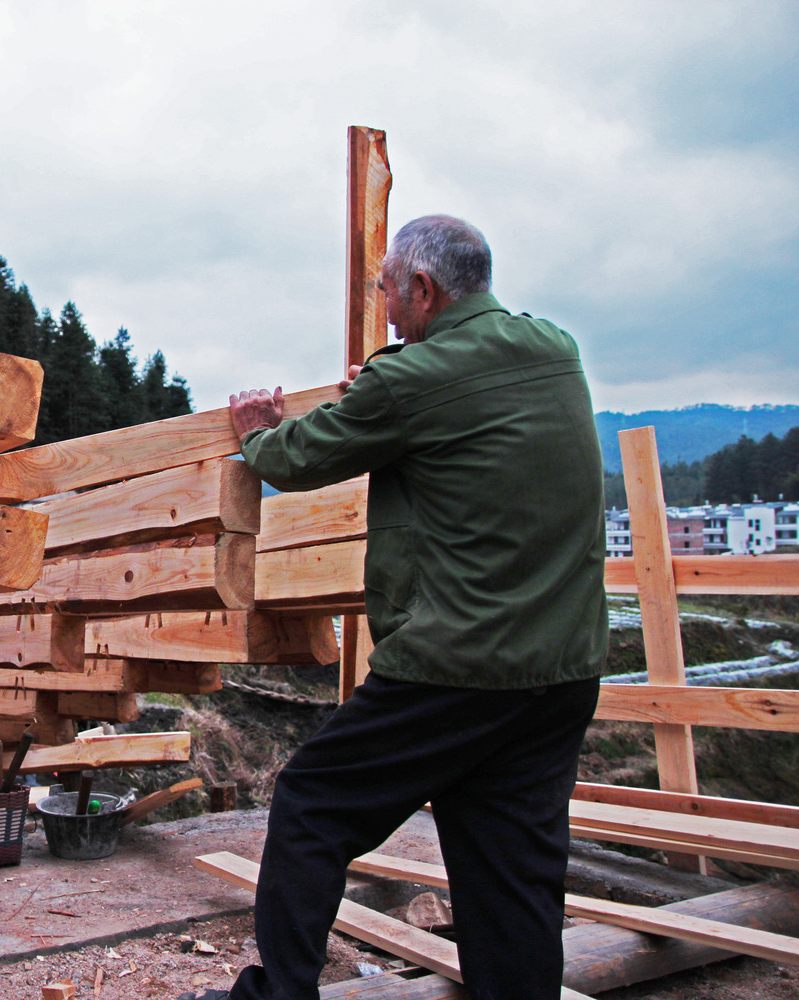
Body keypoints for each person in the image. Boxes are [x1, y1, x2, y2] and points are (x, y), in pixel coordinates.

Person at [214, 216, 607, 1000]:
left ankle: (277, 996)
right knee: (510, 866)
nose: (386, 305)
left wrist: (258, 432)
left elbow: (300, 458)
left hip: (456, 665)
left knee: (312, 805)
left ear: (423, 288)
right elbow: (448, 405)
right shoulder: (556, 348)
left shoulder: (411, 381)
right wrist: (394, 376)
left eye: (388, 289)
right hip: (562, 670)